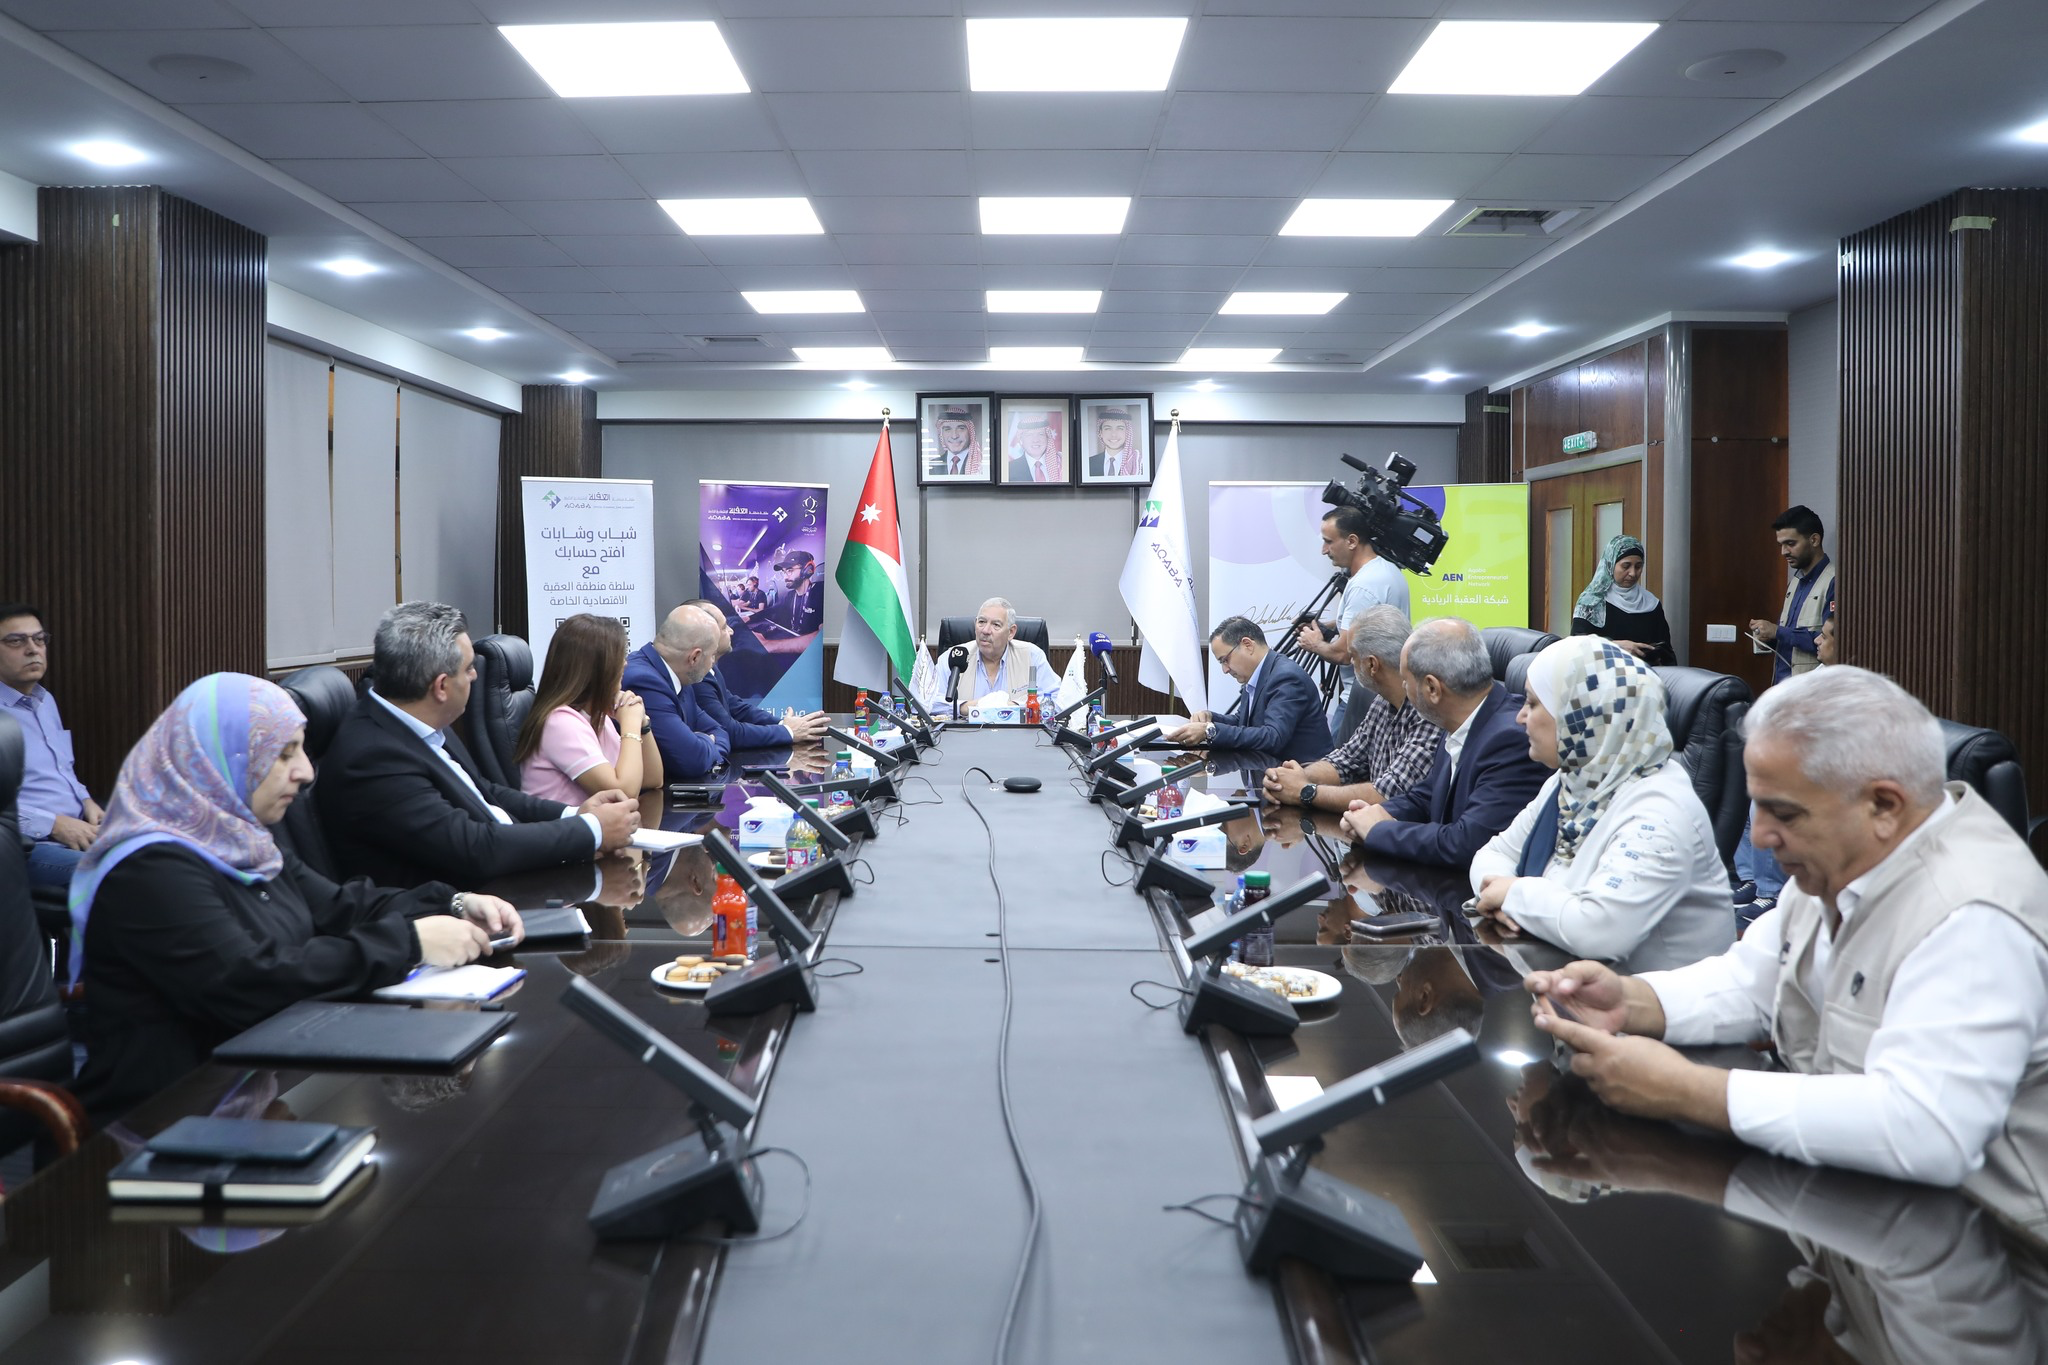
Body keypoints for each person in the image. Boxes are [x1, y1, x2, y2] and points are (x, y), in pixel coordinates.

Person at [1525, 667, 2048, 1231]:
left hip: (1989, 1252)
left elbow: (1925, 1130)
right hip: (1860, 1215)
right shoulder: (1843, 860)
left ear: (1884, 805)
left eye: (1784, 812)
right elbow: (1753, 981)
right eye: (1758, 807)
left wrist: (1686, 1091)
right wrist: (1631, 1000)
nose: (1758, 837)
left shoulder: (1971, 911)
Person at [69, 673, 519, 1126]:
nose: (305, 772)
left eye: (301, 751)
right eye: (284, 754)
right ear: (220, 758)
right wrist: (410, 942)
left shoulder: (245, 843)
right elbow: (248, 985)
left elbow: (345, 907)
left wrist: (455, 904)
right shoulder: (149, 868)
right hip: (162, 1123)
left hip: (255, 1088)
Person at [318, 602, 638, 889]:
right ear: (441, 686)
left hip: (505, 878)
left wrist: (574, 813)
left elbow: (486, 792)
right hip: (454, 907)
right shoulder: (375, 757)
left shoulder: (420, 719)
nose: (474, 676)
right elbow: (475, 848)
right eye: (469, 668)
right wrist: (591, 830)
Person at [1467, 636, 1734, 970]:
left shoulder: (1660, 811)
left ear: (1580, 715)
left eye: (1533, 704)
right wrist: (1507, 896)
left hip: (1651, 1001)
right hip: (1569, 982)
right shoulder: (1571, 781)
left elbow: (1599, 931)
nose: (1520, 717)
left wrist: (1513, 895)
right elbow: (1492, 854)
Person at [1339, 618, 1549, 867]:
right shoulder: (1460, 720)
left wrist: (1377, 831)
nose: (1403, 687)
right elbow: (1427, 796)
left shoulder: (1511, 740)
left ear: (1432, 688)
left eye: (1406, 680)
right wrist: (1377, 814)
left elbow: (1466, 843)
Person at [1265, 605, 1441, 813]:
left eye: (1353, 657)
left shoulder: (1429, 713)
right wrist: (1294, 778)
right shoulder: (1382, 702)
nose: (1349, 663)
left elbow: (1387, 794)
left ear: (1372, 665)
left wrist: (1304, 791)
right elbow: (1346, 760)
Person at [0, 603, 101, 887]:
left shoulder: (44, 701)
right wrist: (54, 825)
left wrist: (85, 800)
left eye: (39, 639)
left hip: (80, 828)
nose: (33, 649)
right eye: (16, 641)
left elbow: (61, 768)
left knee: (169, 854)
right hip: (26, 846)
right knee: (126, 874)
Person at [515, 613, 664, 805]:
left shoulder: (597, 715)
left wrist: (643, 724)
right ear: (596, 667)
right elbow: (623, 794)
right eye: (619, 657)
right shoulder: (561, 723)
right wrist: (630, 724)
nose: (625, 663)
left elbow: (653, 780)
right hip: (564, 824)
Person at [1294, 507, 1410, 744]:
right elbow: (1369, 626)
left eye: (1328, 542)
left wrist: (1314, 643)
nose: (1324, 550)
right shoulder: (1386, 570)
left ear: (1352, 541)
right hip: (1384, 695)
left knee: (1336, 764)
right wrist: (1327, 626)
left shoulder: (1363, 586)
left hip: (1360, 701)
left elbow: (1344, 654)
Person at [1164, 617, 1331, 763]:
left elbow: (1273, 737)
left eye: (1225, 660)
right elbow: (1244, 722)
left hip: (1304, 780)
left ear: (1248, 645)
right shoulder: (1261, 673)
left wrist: (1209, 731)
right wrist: (1210, 718)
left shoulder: (1286, 677)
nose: (1225, 670)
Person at [680, 598, 830, 749]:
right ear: (707, 635)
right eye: (725, 627)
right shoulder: (697, 678)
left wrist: (783, 724)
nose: (732, 631)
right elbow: (730, 732)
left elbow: (736, 707)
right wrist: (788, 732)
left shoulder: (710, 669)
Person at [623, 604, 733, 780]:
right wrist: (707, 741)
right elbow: (692, 760)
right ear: (694, 657)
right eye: (712, 655)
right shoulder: (644, 682)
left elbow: (718, 730)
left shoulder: (678, 672)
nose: (713, 662)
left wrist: (704, 743)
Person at [1749, 504, 1836, 683]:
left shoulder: (1835, 581)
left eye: (1790, 544)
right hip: (1783, 685)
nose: (1784, 552)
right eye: (1781, 545)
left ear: (1814, 540)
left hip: (1812, 688)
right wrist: (1768, 637)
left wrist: (1777, 631)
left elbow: (1834, 643)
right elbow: (1789, 639)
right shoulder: (1794, 583)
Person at [941, 598, 1065, 714]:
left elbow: (1058, 700)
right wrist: (968, 707)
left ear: (1011, 632)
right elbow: (932, 701)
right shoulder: (954, 656)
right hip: (963, 730)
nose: (985, 630)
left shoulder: (1032, 655)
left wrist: (1011, 707)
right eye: (982, 622)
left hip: (1018, 730)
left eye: (996, 625)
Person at [1569, 534, 1674, 665]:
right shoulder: (1591, 602)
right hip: (1604, 672)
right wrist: (1615, 646)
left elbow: (1667, 651)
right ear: (1611, 565)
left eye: (1638, 566)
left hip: (1645, 673)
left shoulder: (1651, 603)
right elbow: (1577, 645)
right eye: (1626, 566)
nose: (1633, 573)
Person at [766, 550, 824, 638]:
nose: (785, 577)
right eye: (784, 572)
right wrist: (749, 618)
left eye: (790, 570)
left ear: (807, 570)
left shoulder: (821, 593)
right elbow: (772, 610)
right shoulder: (789, 596)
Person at [927, 404, 985, 478]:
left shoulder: (981, 466)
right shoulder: (931, 467)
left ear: (970, 432)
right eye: (947, 429)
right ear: (941, 434)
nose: (954, 436)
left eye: (961, 428)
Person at [1005, 412, 1063, 484]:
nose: (1035, 440)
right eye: (1029, 435)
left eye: (1041, 434)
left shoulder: (1061, 464)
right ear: (1021, 439)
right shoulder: (1009, 470)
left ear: (1047, 437)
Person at [1086, 405, 1141, 478]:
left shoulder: (1138, 463)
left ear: (1127, 433)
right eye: (1108, 428)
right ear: (1100, 433)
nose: (1114, 434)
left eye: (1120, 428)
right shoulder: (1089, 463)